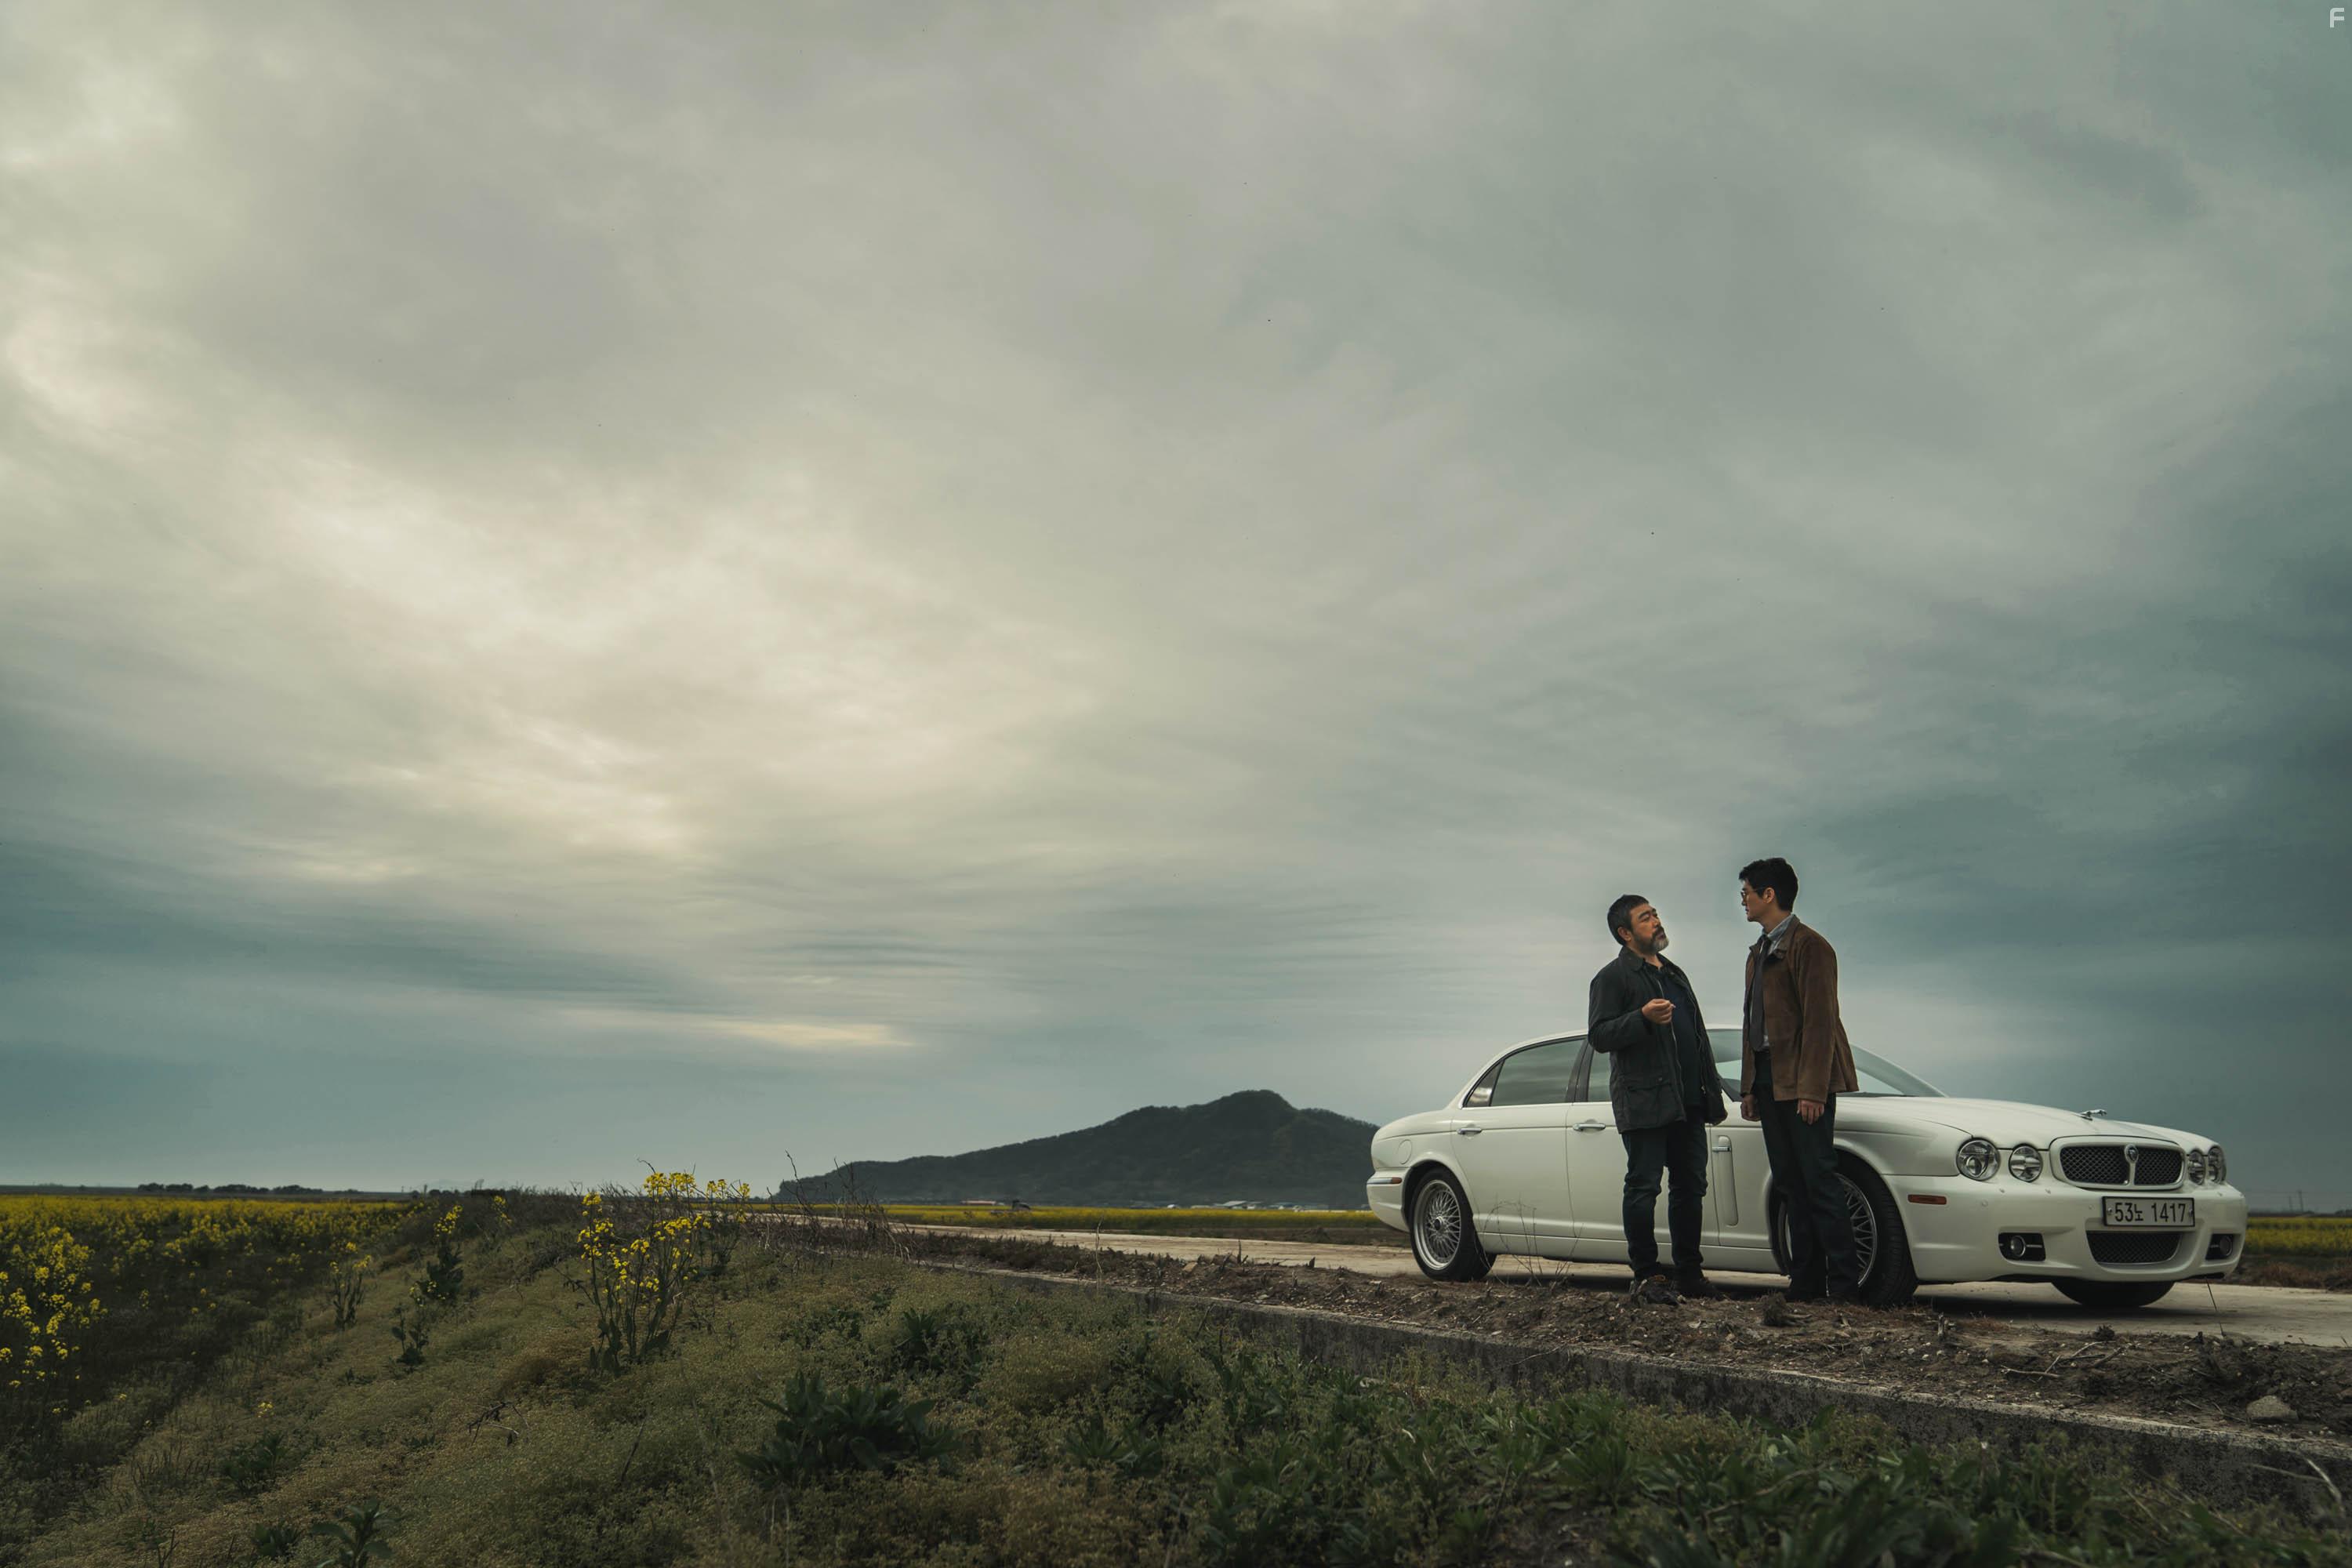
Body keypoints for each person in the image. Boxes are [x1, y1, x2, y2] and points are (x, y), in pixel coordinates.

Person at [1588, 894, 1729, 1305]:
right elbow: (1598, 1035)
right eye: (1645, 918)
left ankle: (1689, 1273)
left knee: (1691, 1186)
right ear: (1625, 933)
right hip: (1644, 1102)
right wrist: (1641, 1019)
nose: (1656, 921)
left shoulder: (1674, 974)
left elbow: (1697, 1038)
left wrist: (1711, 1092)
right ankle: (1647, 1276)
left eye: (1656, 914)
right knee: (1644, 1186)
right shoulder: (1613, 978)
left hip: (1687, 1101)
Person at [1737, 857, 1863, 1304]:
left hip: (1803, 1082)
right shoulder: (1758, 952)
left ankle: (1846, 1288)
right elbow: (1754, 1026)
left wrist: (1812, 1090)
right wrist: (1749, 1087)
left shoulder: (1811, 947)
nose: (1744, 900)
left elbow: (1821, 1023)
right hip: (1770, 1079)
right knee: (1790, 1182)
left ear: (1769, 894)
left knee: (1819, 1181)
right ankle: (1806, 1283)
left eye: (1747, 892)